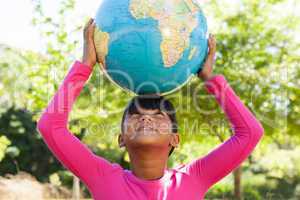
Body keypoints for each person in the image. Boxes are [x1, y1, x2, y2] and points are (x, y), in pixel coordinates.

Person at [37, 19, 264, 200]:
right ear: (121, 138)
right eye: (135, 115)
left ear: (175, 139)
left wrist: (211, 78)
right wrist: (84, 67)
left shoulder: (194, 178)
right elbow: (50, 126)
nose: (146, 119)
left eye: (158, 115)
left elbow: (250, 133)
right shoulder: (103, 178)